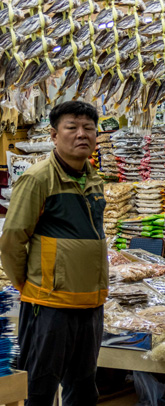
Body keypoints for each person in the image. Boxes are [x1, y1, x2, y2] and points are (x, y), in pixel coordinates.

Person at [0, 101, 108, 406]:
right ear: (54, 134)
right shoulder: (38, 179)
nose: (81, 134)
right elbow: (11, 240)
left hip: (91, 303)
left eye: (88, 128)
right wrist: (29, 286)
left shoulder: (94, 178)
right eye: (71, 127)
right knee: (39, 388)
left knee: (84, 387)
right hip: (49, 305)